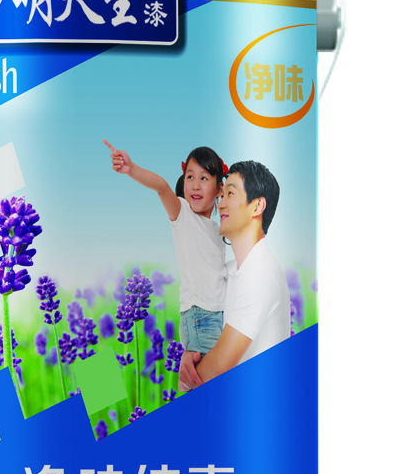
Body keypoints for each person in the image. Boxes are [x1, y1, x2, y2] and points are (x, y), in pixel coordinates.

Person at [103, 140, 228, 357]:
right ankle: (90, 374)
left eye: (204, 178)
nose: (195, 185)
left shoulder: (218, 230)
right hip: (199, 316)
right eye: (190, 177)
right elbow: (161, 186)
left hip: (218, 316)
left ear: (219, 189)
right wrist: (131, 169)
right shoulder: (183, 214)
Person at [178, 160, 291, 390]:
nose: (220, 204)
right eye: (222, 195)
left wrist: (187, 370)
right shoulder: (229, 272)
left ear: (257, 207)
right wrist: (188, 355)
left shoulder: (261, 273)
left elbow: (216, 369)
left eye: (230, 193)